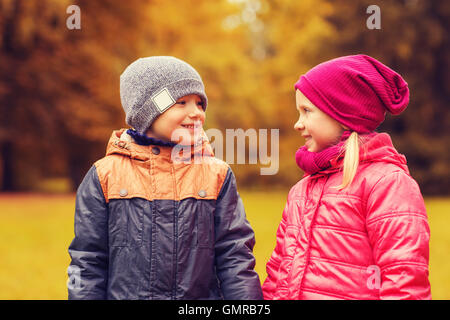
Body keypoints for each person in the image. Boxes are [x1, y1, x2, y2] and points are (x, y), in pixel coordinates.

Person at [68, 56, 263, 300]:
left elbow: (235, 257)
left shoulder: (217, 175)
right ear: (148, 112)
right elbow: (88, 261)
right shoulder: (105, 175)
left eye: (200, 104)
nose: (196, 113)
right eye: (181, 103)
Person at [262, 54, 431, 300]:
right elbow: (278, 270)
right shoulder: (302, 189)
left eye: (307, 111)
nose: (297, 124)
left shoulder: (387, 184)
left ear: (342, 114)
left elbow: (403, 279)